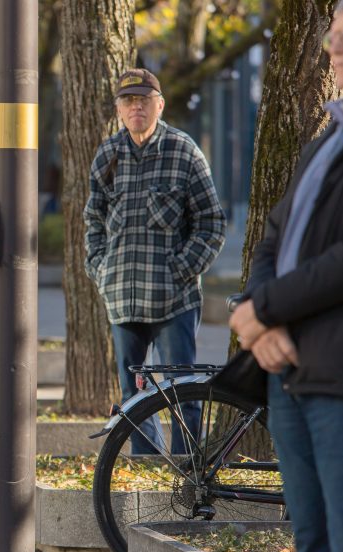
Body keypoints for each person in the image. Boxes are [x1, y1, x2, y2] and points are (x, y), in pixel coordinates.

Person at [230, 1, 343, 552]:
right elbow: (272, 236)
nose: (333, 48)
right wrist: (258, 320)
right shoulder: (327, 138)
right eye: (330, 36)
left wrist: (259, 308)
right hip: (288, 374)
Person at [83, 68, 226, 454]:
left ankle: (187, 475)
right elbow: (92, 221)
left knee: (184, 393)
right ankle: (147, 477)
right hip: (122, 299)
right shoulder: (107, 154)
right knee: (134, 397)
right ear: (119, 109)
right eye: (129, 101)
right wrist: (100, 269)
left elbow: (211, 223)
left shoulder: (184, 151)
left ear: (159, 105)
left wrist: (180, 270)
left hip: (173, 301)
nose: (136, 108)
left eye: (144, 100)